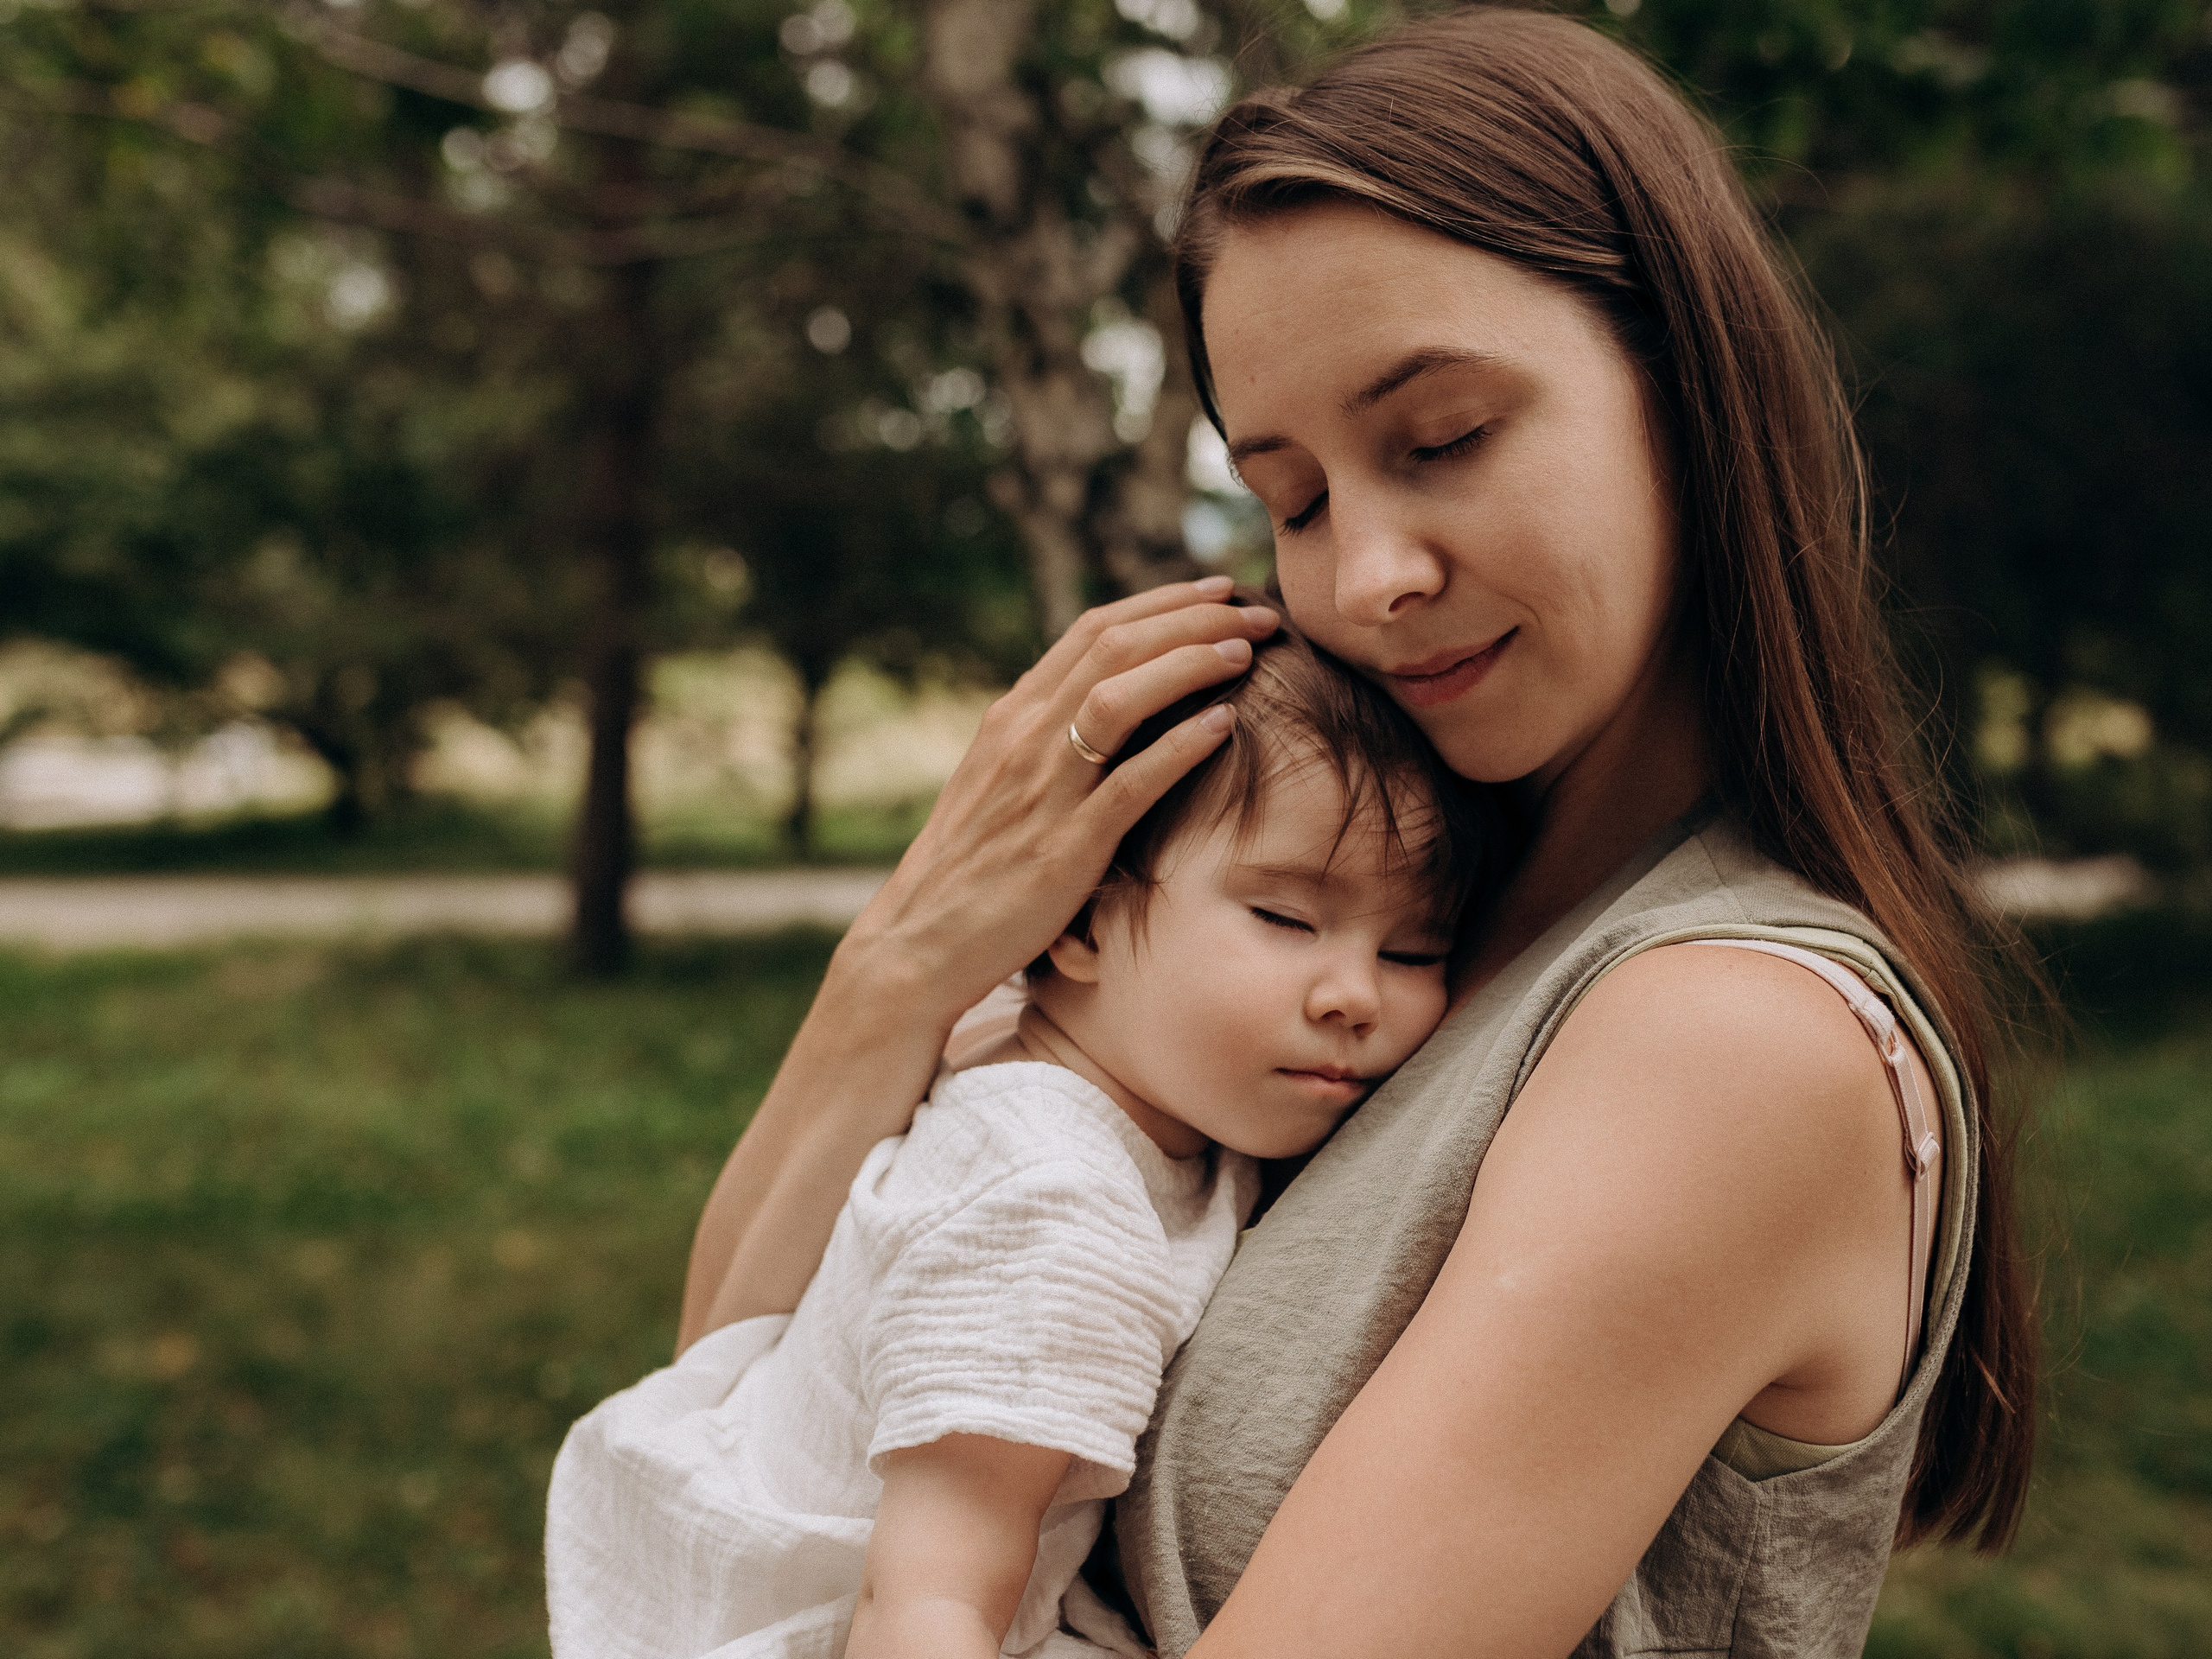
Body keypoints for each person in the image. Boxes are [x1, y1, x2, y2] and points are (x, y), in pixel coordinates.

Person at [671, 10, 2040, 1656]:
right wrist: (902, 970)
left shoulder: (1726, 1042)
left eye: (1444, 440)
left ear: (1689, 387)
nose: (1366, 578)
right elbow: (737, 1462)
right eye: (1296, 498)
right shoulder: (1360, 934)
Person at [546, 621, 1502, 1659]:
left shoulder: (1054, 1056)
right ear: (1079, 924)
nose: (1355, 996)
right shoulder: (1052, 1209)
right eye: (1283, 917)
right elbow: (926, 1602)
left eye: (1415, 946)